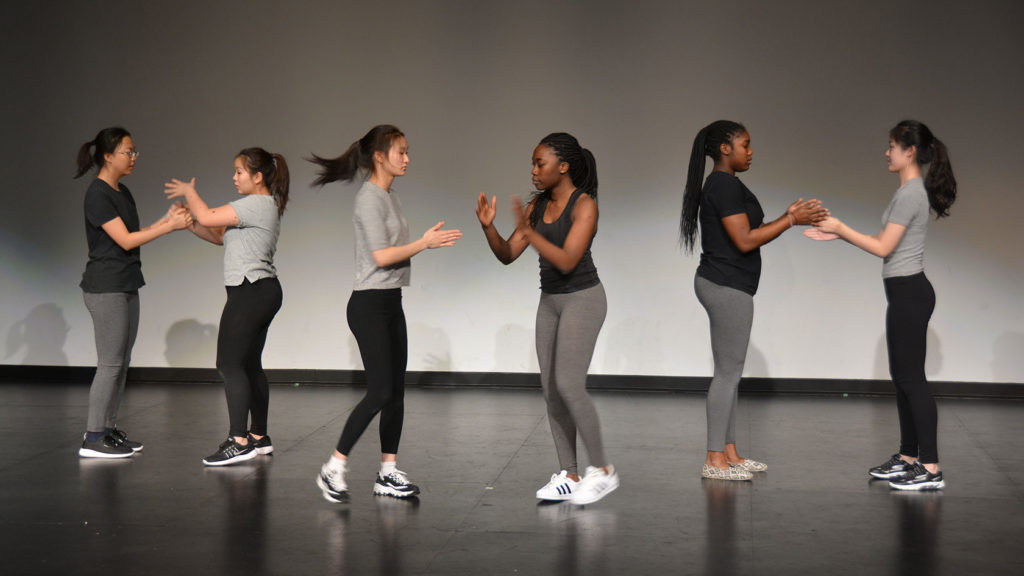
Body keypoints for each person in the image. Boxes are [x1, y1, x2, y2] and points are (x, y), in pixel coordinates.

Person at [309, 125, 461, 502]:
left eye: (408, 151)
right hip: (368, 305)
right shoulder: (369, 199)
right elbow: (380, 257)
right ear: (379, 156)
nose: (407, 158)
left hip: (392, 302)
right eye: (401, 151)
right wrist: (423, 243)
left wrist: (422, 243)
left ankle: (387, 473)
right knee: (379, 391)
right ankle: (334, 467)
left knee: (395, 394)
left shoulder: (391, 197)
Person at [811, 120, 956, 491]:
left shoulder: (910, 194)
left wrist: (841, 227)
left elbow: (882, 248)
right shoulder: (906, 192)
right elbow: (881, 240)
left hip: (910, 293)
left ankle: (931, 468)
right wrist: (839, 236)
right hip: (904, 292)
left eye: (892, 145)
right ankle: (909, 458)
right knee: (903, 380)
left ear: (910, 151)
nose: (886, 152)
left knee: (912, 380)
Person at [476, 132, 618, 505]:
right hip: (550, 301)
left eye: (541, 164)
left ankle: (602, 470)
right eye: (533, 164)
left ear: (564, 166)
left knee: (569, 385)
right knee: (552, 390)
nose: (534, 171)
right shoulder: (537, 206)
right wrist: (489, 227)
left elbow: (568, 259)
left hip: (584, 299)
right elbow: (508, 254)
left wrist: (528, 232)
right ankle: (569, 474)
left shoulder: (584, 205)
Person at [680, 120, 826, 481]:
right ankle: (714, 459)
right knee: (728, 374)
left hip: (726, 283)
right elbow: (745, 239)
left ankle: (729, 453)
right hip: (726, 285)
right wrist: (791, 218)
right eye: (745, 144)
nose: (751, 151)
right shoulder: (723, 185)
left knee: (730, 374)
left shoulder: (723, 184)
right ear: (725, 149)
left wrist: (788, 217)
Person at [164, 148, 289, 466]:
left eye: (239, 172)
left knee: (229, 363)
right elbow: (219, 235)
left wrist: (191, 193)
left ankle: (239, 440)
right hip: (261, 290)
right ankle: (258, 436)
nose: (234, 177)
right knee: (248, 364)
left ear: (257, 176)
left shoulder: (255, 203)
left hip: (250, 291)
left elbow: (208, 216)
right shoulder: (261, 205)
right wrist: (190, 224)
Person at [75, 126, 191, 458]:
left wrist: (162, 222)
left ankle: (107, 429)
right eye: (128, 152)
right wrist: (168, 228)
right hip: (105, 286)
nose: (133, 157)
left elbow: (132, 234)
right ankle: (93, 436)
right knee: (110, 363)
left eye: (134, 151)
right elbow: (124, 241)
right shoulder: (96, 194)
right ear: (108, 155)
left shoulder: (122, 191)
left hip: (126, 282)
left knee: (121, 363)